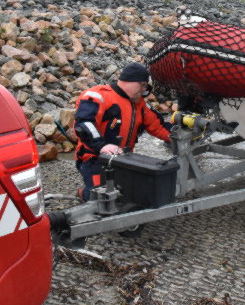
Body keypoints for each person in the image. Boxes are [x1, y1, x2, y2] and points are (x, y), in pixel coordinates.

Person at [73, 62, 173, 201]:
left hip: (123, 160)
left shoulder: (140, 105)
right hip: (94, 158)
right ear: (133, 82)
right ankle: (84, 193)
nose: (144, 91)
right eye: (143, 86)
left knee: (130, 193)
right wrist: (101, 146)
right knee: (97, 197)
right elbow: (83, 124)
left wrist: (176, 136)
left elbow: (157, 126)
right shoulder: (97, 95)